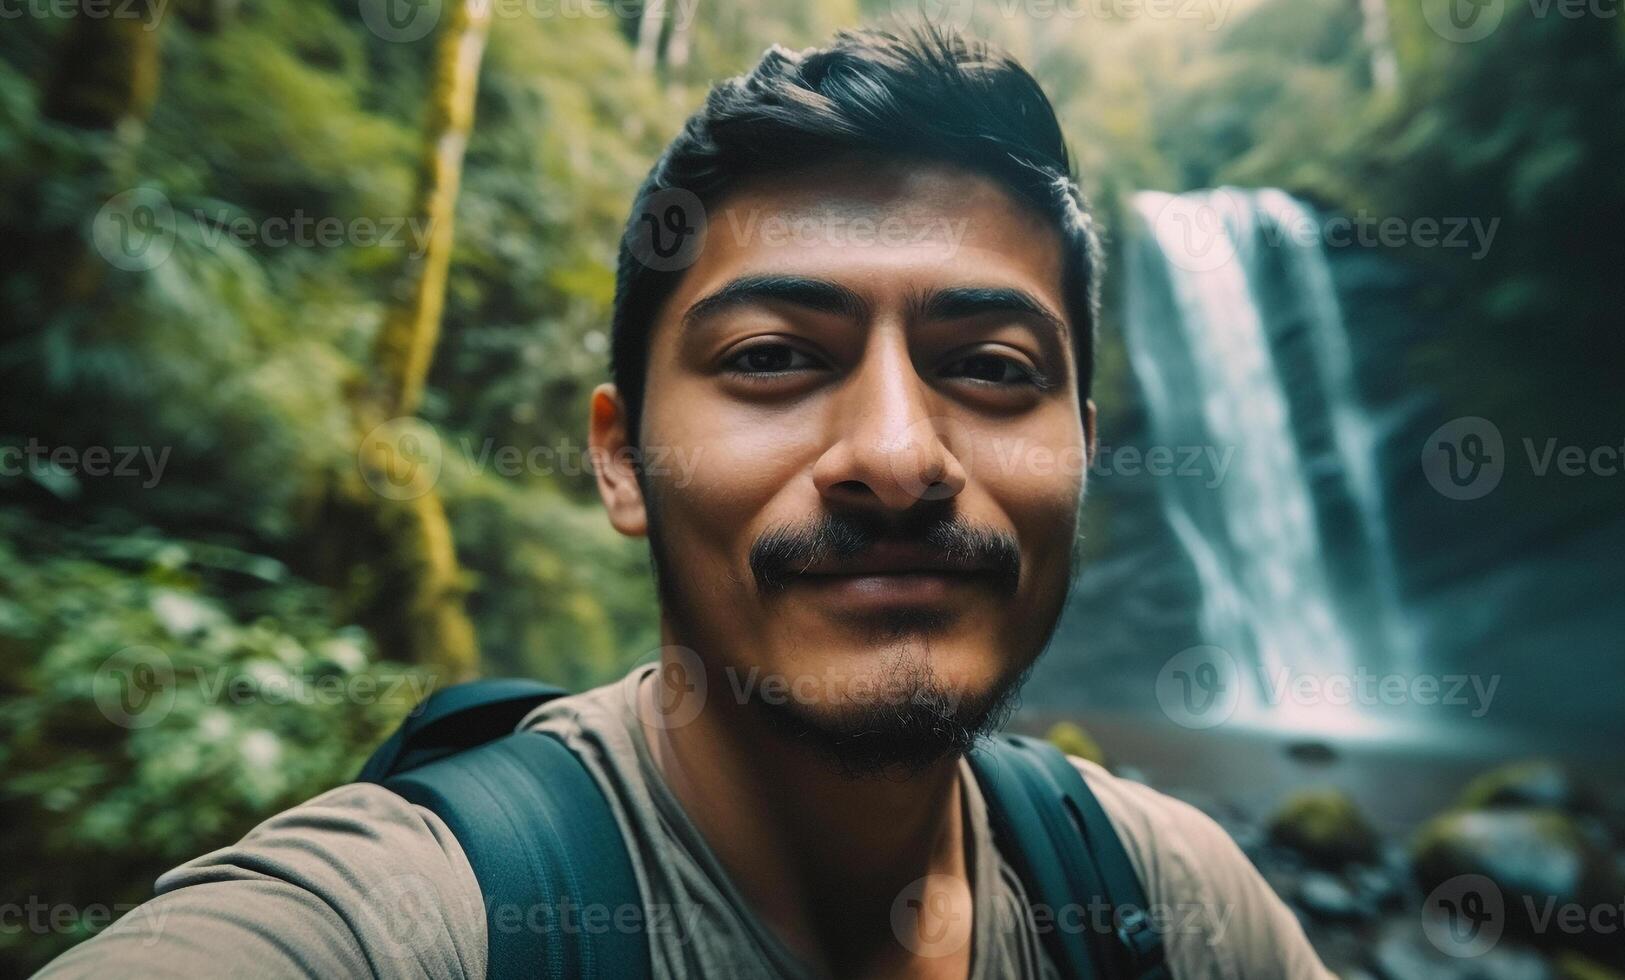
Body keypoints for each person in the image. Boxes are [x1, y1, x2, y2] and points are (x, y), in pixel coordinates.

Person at [38, 25, 1331, 980]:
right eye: (773, 356)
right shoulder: (420, 917)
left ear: (1086, 451)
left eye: (992, 370)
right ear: (618, 459)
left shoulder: (1169, 907)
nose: (897, 456)